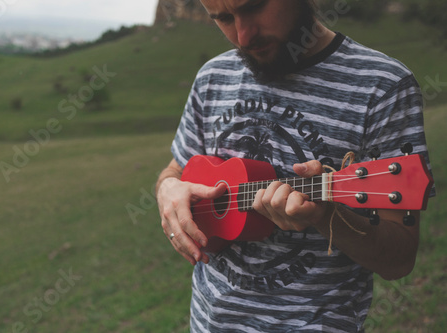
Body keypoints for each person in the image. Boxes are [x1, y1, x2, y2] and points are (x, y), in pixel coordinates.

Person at [155, 0, 435, 331]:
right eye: (225, 19)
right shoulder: (212, 77)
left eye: (255, 6)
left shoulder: (383, 86)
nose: (244, 36)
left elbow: (398, 260)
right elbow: (175, 169)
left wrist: (327, 216)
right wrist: (168, 189)